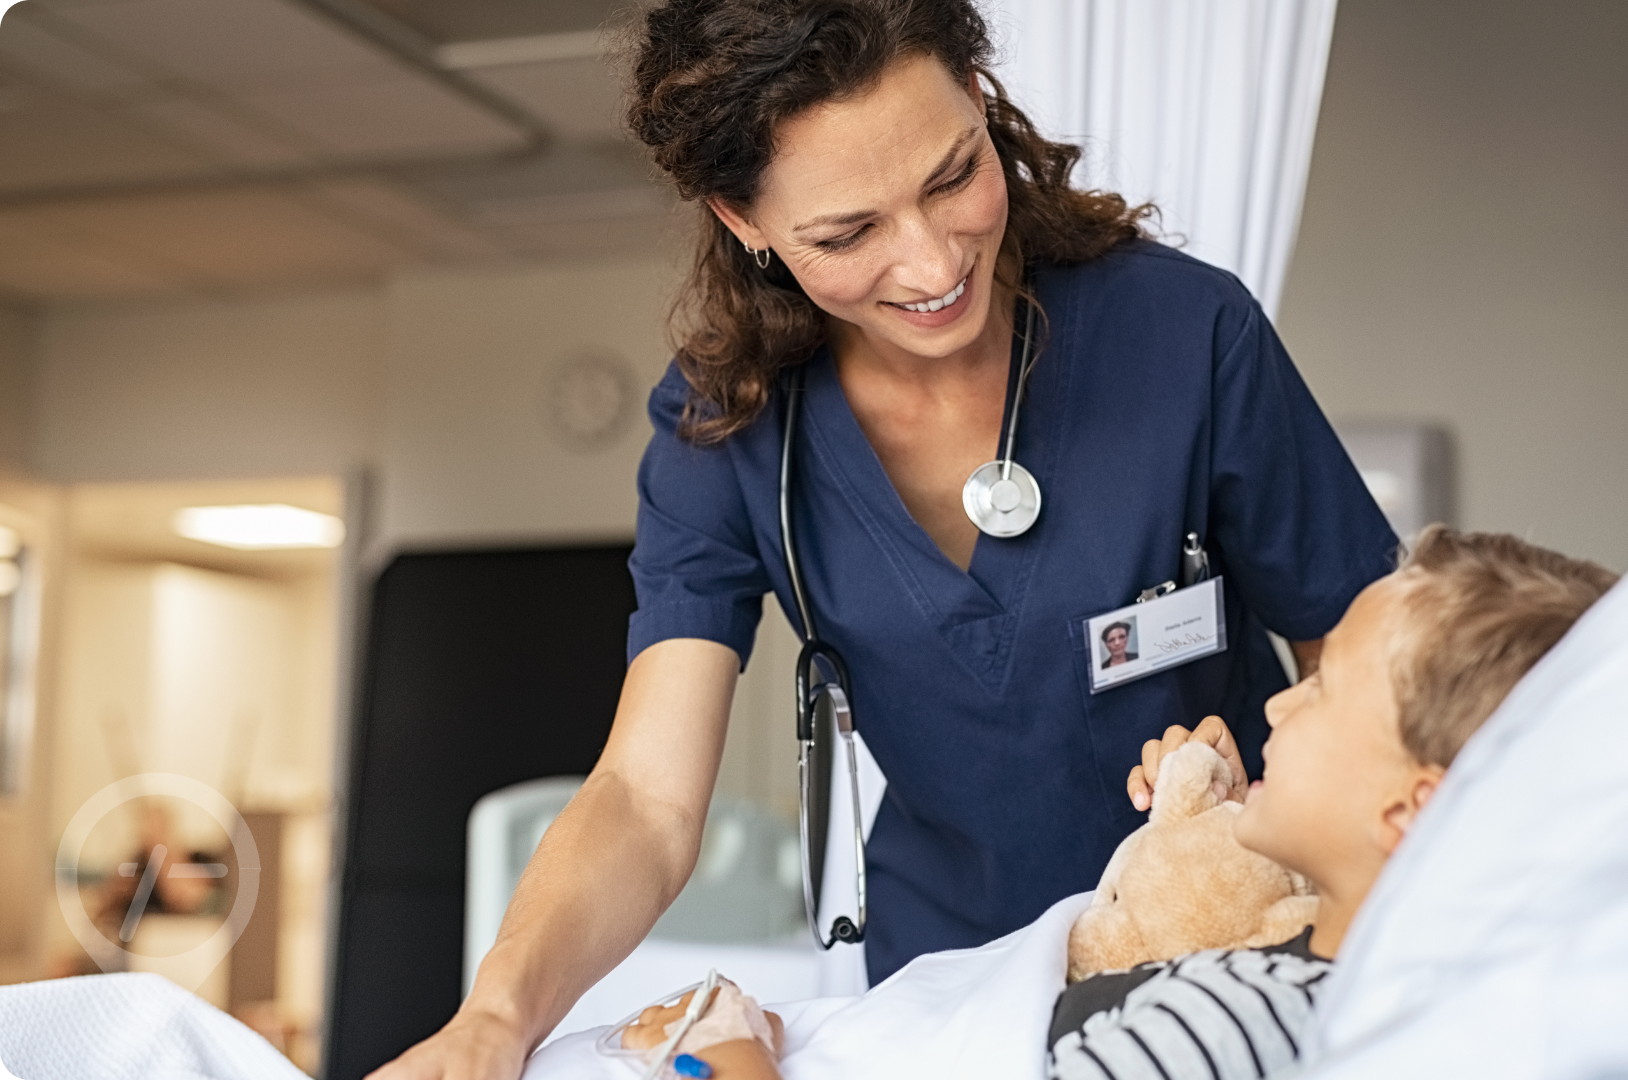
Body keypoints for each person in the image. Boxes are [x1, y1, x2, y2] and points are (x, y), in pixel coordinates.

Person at [372, 2, 1394, 1075]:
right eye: (848, 233)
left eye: (954, 175)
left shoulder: (1184, 334)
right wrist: (493, 1015)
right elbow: (646, 797)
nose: (930, 263)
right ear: (743, 218)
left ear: (979, 96)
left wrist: (1307, 827)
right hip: (948, 992)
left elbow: (1370, 667)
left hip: (1235, 951)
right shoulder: (727, 430)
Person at [1050, 527, 1618, 1079]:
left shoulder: (1226, 1026)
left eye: (1322, 689)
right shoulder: (1354, 985)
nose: (1276, 708)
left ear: (1406, 812)